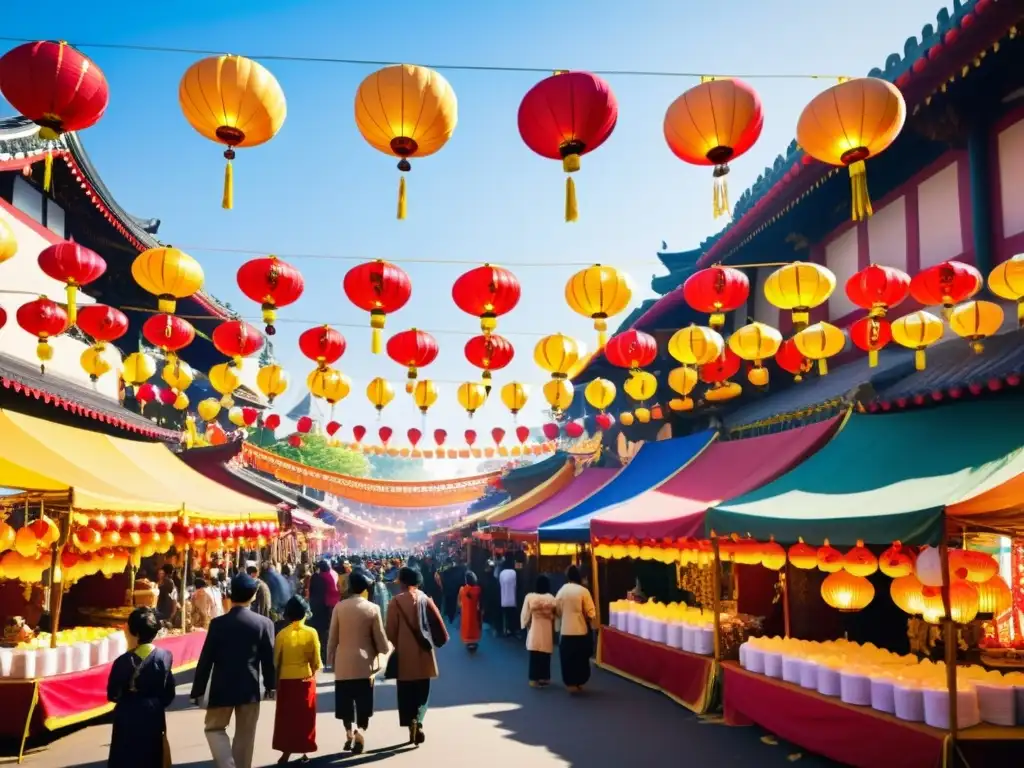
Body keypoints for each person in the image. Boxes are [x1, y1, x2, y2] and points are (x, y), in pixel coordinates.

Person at [190, 572, 276, 768]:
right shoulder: (264, 624)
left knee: (214, 729)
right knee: (246, 736)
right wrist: (271, 685)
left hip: (222, 685)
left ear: (230, 595)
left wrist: (198, 690)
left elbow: (206, 659)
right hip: (249, 686)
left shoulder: (218, 624)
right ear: (253, 595)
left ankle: (227, 764)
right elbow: (268, 660)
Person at [328, 568, 390, 754]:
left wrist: (330, 659)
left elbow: (332, 637)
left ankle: (349, 732)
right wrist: (385, 650)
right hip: (365, 665)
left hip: (344, 663)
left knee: (345, 703)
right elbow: (380, 638)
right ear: (364, 588)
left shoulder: (339, 607)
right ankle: (360, 730)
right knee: (363, 703)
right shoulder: (373, 608)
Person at [386, 566, 449, 745]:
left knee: (406, 692)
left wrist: (399, 644)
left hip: (404, 654)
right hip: (424, 652)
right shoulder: (425, 599)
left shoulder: (395, 602)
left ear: (403, 583)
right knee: (422, 692)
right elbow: (439, 624)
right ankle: (419, 720)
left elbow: (390, 631)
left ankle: (410, 722)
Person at [106, 607, 176, 767]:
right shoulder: (164, 656)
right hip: (153, 713)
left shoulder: (123, 661)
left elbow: (112, 693)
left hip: (127, 713)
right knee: (152, 755)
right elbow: (169, 691)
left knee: (125, 756)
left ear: (134, 633)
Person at [272, 595, 321, 764]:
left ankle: (286, 751)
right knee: (305, 717)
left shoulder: (281, 635)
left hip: (285, 681)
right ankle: (305, 749)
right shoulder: (311, 633)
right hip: (306, 679)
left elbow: (275, 662)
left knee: (286, 718)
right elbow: (316, 660)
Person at [554, 564, 597, 693]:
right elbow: (591, 612)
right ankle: (579, 681)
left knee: (568, 659)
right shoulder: (583, 591)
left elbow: (556, 609)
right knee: (580, 658)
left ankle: (570, 683)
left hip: (566, 630)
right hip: (580, 630)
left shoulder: (562, 590)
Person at [521, 574, 559, 687]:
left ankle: (533, 678)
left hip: (535, 628)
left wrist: (525, 624)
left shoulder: (530, 597)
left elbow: (525, 614)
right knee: (545, 653)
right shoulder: (551, 598)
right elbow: (556, 614)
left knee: (534, 654)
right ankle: (545, 677)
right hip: (546, 629)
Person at [307, 560, 340, 664]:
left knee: (321, 632)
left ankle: (322, 656)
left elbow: (312, 592)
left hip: (323, 606)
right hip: (332, 605)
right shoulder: (333, 574)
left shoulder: (319, 577)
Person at [459, 571, 483, 652]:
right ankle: (474, 640)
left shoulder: (462, 590)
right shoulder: (478, 590)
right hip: (475, 614)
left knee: (466, 626)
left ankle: (468, 640)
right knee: (475, 627)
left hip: (466, 614)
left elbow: (459, 602)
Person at [498, 553, 519, 637]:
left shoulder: (502, 573)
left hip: (504, 597)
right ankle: (512, 629)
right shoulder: (514, 572)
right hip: (513, 598)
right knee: (512, 615)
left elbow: (499, 584)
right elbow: (517, 585)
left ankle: (505, 629)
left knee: (505, 615)